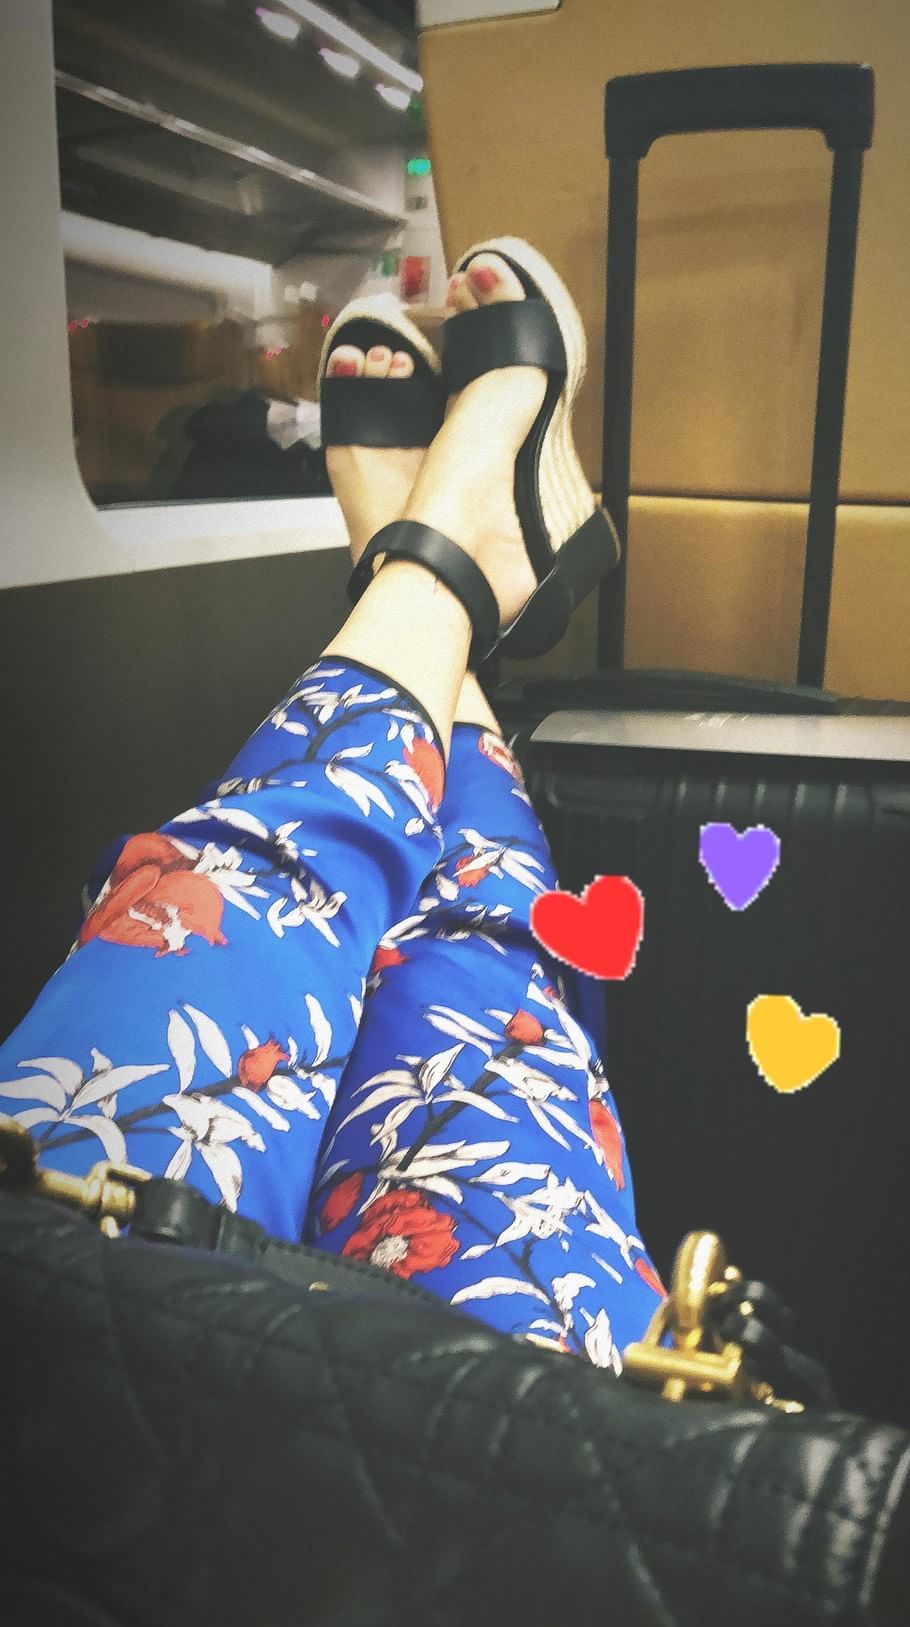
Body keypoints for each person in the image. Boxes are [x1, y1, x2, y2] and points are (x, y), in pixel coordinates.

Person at [0, 239, 666, 1370]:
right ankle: (441, 553)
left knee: (299, 925)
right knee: (421, 954)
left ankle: (430, 564)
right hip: (507, 1432)